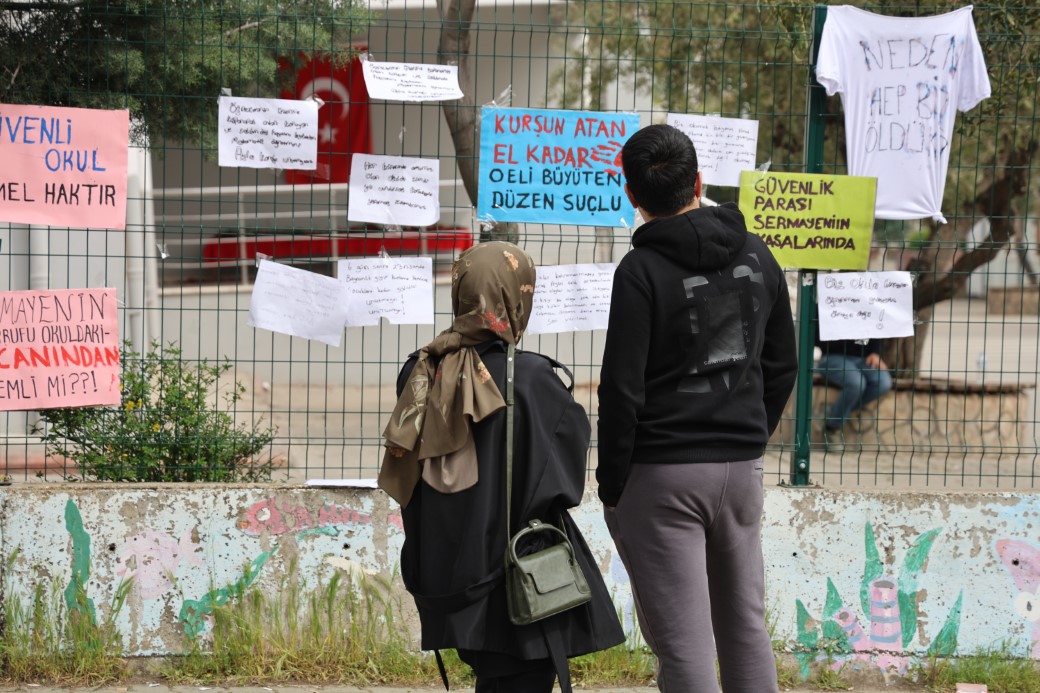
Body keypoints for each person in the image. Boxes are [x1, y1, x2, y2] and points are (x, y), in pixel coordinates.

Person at [597, 124, 798, 692]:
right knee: (744, 626)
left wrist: (614, 483)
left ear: (631, 195)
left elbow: (621, 388)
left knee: (684, 644)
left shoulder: (639, 272)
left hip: (661, 475)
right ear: (700, 182)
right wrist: (747, 436)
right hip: (740, 471)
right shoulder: (760, 255)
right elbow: (783, 367)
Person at [379, 241, 624, 693]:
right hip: (518, 575)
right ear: (519, 295)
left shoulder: (419, 371)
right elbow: (565, 486)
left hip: (445, 570)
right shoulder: (534, 381)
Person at [814, 330, 892, 451]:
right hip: (832, 356)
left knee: (883, 383)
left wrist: (876, 352)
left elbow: (876, 325)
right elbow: (816, 334)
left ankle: (834, 412)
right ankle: (833, 428)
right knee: (856, 383)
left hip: (863, 358)